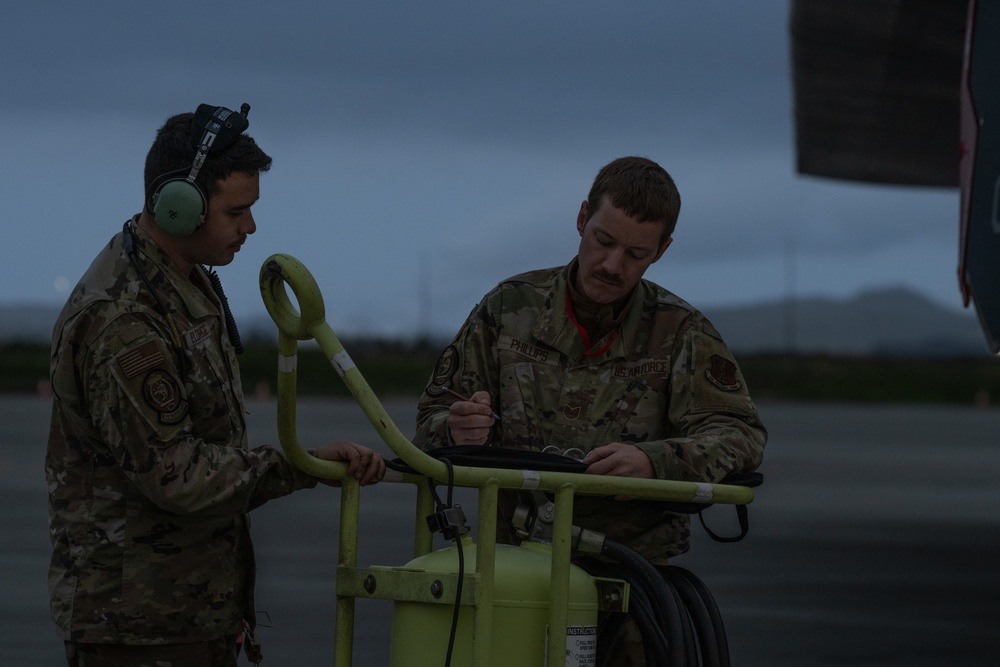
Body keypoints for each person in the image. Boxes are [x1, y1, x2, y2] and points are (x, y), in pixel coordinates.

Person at [46, 103, 385, 667]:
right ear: (178, 208)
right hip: (139, 628)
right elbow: (177, 476)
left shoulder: (184, 282)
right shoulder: (124, 319)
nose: (250, 227)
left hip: (185, 612)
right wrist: (302, 465)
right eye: (237, 212)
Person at [414, 156, 766, 663]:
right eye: (604, 241)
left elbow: (741, 437)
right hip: (513, 575)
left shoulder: (681, 333)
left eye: (636, 253)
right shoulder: (509, 309)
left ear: (661, 252)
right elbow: (428, 423)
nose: (612, 265)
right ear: (582, 219)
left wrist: (654, 462)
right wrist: (458, 427)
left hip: (631, 589)